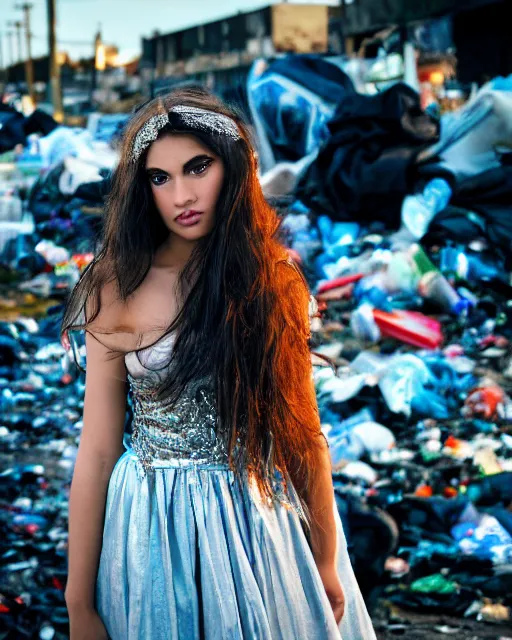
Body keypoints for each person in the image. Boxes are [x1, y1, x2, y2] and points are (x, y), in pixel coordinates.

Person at [62, 87, 376, 640]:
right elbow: (99, 448)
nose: (181, 193)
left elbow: (303, 436)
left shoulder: (270, 282)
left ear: (233, 166)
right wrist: (77, 598)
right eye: (160, 178)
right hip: (150, 528)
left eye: (197, 167)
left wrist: (325, 562)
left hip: (255, 522)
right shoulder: (113, 287)